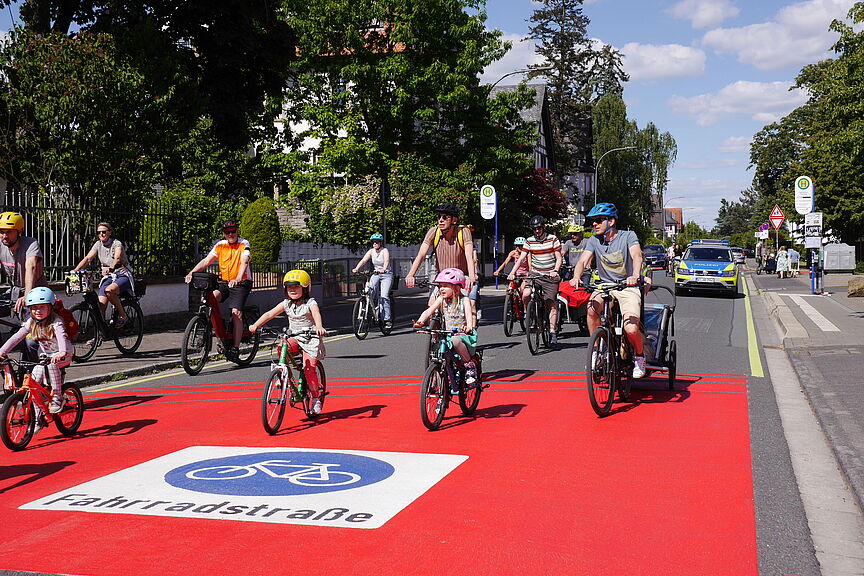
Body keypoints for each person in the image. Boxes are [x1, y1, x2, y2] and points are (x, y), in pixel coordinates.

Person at [570, 202, 647, 378]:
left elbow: (636, 255)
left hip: (628, 287)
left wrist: (635, 275)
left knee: (631, 329)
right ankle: (597, 350)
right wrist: (576, 277)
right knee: (591, 309)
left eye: (598, 220)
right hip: (606, 287)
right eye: (592, 221)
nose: (594, 225)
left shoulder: (628, 236)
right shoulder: (594, 240)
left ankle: (640, 356)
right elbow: (582, 261)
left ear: (611, 221)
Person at [250, 269, 327, 415]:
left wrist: (319, 327)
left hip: (310, 338)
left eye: (296, 287)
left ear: (305, 288)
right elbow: (269, 314)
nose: (292, 290)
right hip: (295, 337)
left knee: (309, 370)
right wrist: (256, 325)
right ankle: (285, 377)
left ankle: (316, 398)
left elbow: (316, 313)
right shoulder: (286, 304)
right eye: (289, 287)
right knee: (282, 346)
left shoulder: (310, 303)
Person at [184, 220, 252, 358]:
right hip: (225, 282)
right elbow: (206, 261)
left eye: (233, 231)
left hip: (241, 282)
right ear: (224, 233)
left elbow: (244, 261)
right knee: (211, 299)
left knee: (236, 312)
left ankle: (235, 347)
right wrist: (192, 272)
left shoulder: (244, 243)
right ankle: (219, 329)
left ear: (237, 231)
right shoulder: (220, 245)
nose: (231, 234)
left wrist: (238, 278)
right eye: (227, 232)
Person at [0, 287, 73, 414]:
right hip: (46, 356)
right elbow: (17, 337)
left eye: (42, 307)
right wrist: (2, 351)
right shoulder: (31, 322)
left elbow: (62, 339)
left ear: (50, 307)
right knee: (33, 382)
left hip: (64, 354)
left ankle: (57, 397)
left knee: (52, 365)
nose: (37, 311)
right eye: (34, 308)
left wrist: (61, 352)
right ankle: (38, 415)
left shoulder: (56, 322)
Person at [413, 268, 478, 387]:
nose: (441, 289)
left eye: (445, 286)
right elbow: (428, 311)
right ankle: (440, 379)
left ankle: (469, 366)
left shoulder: (465, 301)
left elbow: (469, 317)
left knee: (455, 340)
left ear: (456, 287)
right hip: (447, 335)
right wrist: (420, 321)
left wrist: (468, 327)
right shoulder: (442, 300)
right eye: (440, 286)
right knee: (440, 351)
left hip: (463, 337)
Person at [405, 203, 476, 307]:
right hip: (442, 278)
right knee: (432, 306)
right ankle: (435, 322)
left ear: (454, 220)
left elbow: (469, 257)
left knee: (471, 306)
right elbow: (421, 254)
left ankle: (470, 323)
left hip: (461, 277)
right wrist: (411, 274)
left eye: (445, 217)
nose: (440, 220)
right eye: (439, 217)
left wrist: (471, 276)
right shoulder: (433, 232)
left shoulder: (464, 232)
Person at [507, 215, 563, 348]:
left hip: (550, 274)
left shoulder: (553, 239)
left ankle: (552, 331)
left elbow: (559, 258)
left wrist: (555, 269)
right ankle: (530, 314)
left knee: (552, 304)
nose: (537, 231)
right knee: (525, 294)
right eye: (534, 229)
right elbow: (521, 258)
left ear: (543, 227)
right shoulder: (529, 241)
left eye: (539, 228)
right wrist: (512, 272)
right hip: (535, 273)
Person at [0, 211, 49, 360]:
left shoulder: (30, 244)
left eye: (9, 232)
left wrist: (27, 295)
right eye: (1, 232)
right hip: (15, 291)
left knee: (31, 340)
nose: (4, 236)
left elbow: (31, 267)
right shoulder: (1, 245)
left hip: (38, 292)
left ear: (19, 231)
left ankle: (34, 370)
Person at [71, 222, 134, 326]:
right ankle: (100, 334)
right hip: (109, 276)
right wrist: (76, 270)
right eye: (98, 232)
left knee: (109, 291)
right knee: (101, 306)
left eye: (104, 232)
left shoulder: (116, 243)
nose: (101, 234)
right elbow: (88, 258)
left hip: (122, 274)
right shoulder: (98, 244)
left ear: (109, 232)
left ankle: (122, 315)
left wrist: (111, 267)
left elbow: (117, 257)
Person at [352, 233, 393, 328]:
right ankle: (371, 312)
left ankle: (387, 319)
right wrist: (356, 268)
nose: (375, 244)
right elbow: (363, 261)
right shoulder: (371, 251)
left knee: (384, 296)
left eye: (377, 242)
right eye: (373, 242)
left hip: (386, 274)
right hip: (375, 273)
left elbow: (386, 261)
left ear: (381, 243)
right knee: (370, 292)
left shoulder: (384, 251)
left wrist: (384, 269)